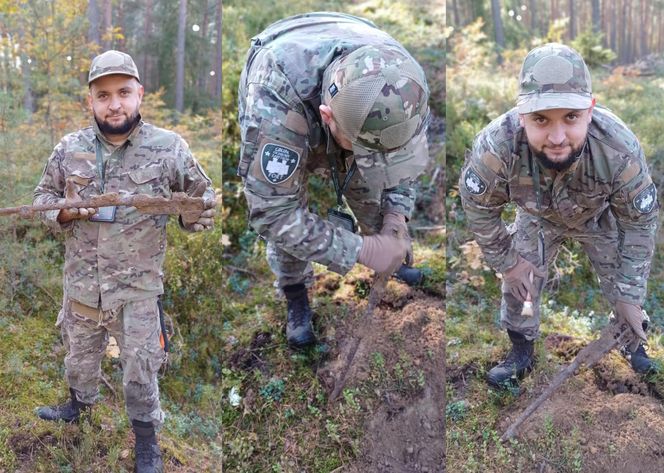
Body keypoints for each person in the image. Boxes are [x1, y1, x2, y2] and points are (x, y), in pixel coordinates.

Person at [33, 50, 216, 472]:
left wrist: (190, 213)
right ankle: (78, 407)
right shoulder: (69, 149)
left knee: (139, 369)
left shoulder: (170, 148)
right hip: (81, 286)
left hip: (136, 291)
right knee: (79, 359)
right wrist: (63, 211)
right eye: (103, 95)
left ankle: (147, 442)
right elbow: (42, 200)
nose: (114, 104)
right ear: (90, 101)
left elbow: (201, 204)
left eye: (123, 93)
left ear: (140, 95)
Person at [459, 43, 659, 389]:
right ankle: (521, 349)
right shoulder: (497, 148)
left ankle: (633, 342)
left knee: (623, 288)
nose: (556, 137)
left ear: (590, 111)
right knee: (521, 285)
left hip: (598, 217)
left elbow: (639, 223)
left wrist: (629, 294)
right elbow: (479, 205)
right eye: (540, 119)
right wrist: (507, 262)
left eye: (571, 117)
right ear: (522, 116)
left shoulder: (619, 150)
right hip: (537, 218)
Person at [237, 12, 431, 348]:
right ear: (327, 117)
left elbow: (401, 163)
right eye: (362, 148)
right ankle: (296, 294)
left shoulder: (406, 87)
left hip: (351, 86)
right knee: (289, 213)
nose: (372, 157)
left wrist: (395, 223)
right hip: (289, 93)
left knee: (376, 193)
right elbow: (274, 212)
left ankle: (393, 259)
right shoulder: (272, 99)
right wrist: (363, 250)